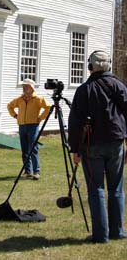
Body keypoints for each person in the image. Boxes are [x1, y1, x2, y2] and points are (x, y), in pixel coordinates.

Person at [68, 50, 127, 243]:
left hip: (91, 145)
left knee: (96, 189)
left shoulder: (84, 90)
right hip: (116, 142)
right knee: (116, 188)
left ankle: (101, 235)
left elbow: (75, 122)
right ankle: (117, 231)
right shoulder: (119, 85)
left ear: (90, 66)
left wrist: (75, 149)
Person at [7, 78, 51, 180]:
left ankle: (36, 171)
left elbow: (48, 107)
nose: (24, 88)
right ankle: (28, 171)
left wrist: (40, 118)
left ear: (31, 88)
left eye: (26, 86)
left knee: (33, 148)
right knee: (24, 150)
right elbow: (9, 106)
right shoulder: (19, 99)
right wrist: (15, 115)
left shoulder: (38, 99)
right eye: (23, 86)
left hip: (33, 126)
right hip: (22, 126)